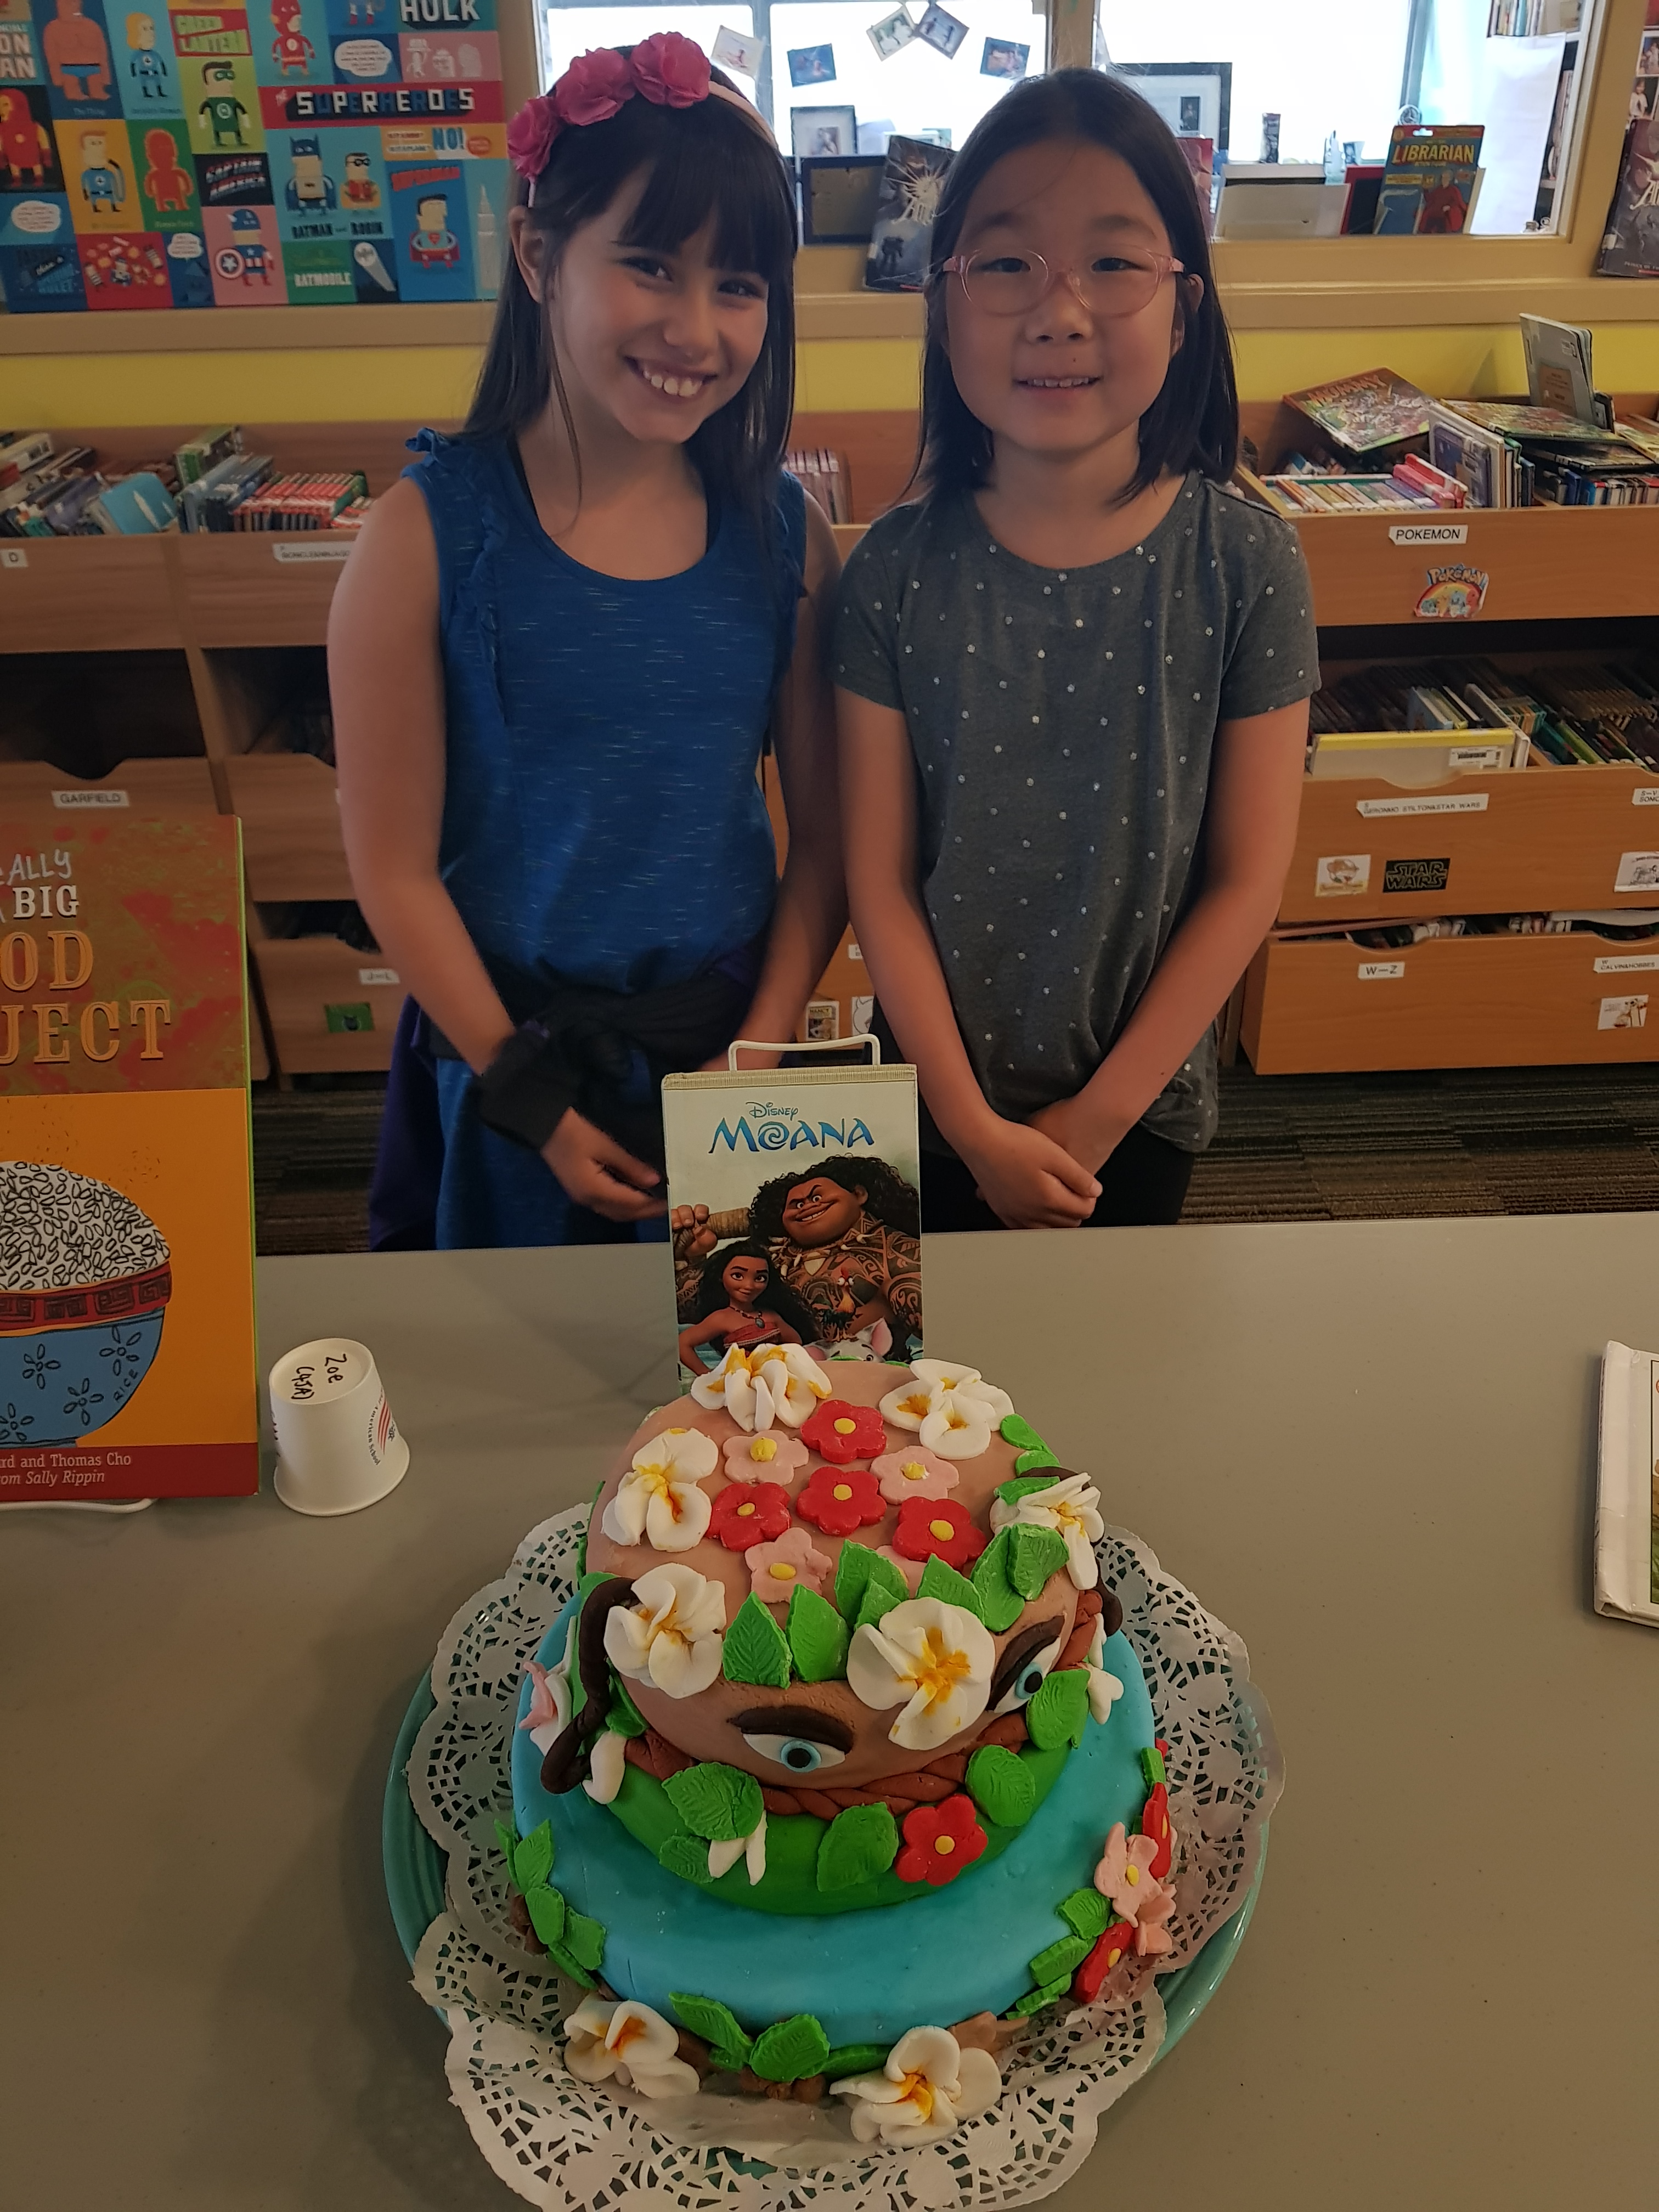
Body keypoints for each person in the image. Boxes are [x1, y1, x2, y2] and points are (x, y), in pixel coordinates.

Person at [330, 34, 844, 1249]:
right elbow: (393, 869)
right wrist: (530, 1098)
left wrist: (757, 1052)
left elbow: (826, 839)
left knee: (741, 1368)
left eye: (738, 285)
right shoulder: (424, 540)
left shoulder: (785, 536)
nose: (695, 329)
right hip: (509, 1066)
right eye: (651, 265)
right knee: (514, 1357)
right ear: (536, 253)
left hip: (723, 1057)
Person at [833, 69, 1317, 1233]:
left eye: (1111, 262)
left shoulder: (1248, 562)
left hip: (1137, 1110)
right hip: (930, 1104)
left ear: (1182, 308)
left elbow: (1246, 880)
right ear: (943, 303)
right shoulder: (890, 572)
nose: (1059, 312)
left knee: (1114, 1347)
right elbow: (879, 880)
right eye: (1006, 264)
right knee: (924, 1354)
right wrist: (967, 1123)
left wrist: (1093, 1121)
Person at [673, 1154, 921, 1349]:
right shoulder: (765, 1256)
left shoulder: (898, 1254)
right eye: (797, 1204)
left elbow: (940, 1336)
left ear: (858, 1195)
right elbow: (678, 1307)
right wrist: (689, 1254)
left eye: (816, 1198)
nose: (806, 1208)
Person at [676, 1237, 809, 1373]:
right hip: (741, 1379)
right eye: (738, 1276)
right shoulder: (721, 1319)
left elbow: (796, 1343)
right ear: (721, 1276)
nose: (749, 1286)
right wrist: (707, 1375)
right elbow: (683, 1343)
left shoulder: (770, 1315)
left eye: (760, 1278)